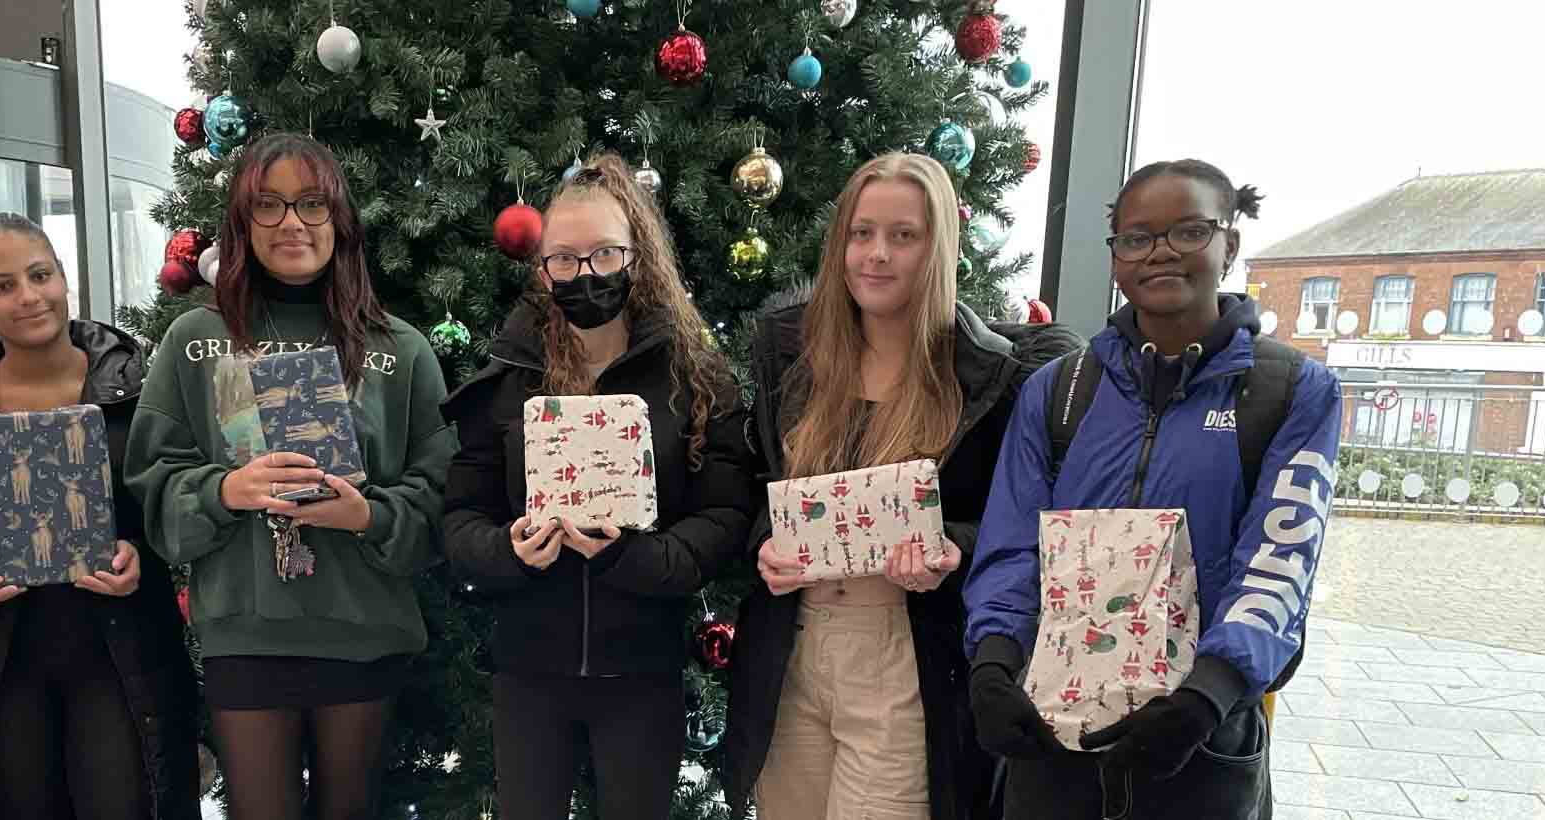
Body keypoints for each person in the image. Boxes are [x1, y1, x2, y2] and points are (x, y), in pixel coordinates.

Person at [964, 160, 1340, 818]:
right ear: (1116, 256)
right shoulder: (1057, 392)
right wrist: (993, 665)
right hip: (1053, 738)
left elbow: (1280, 562)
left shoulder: (1290, 392)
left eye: (1189, 231)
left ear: (1230, 245)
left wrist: (1205, 698)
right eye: (1137, 237)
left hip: (1201, 742)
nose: (1161, 251)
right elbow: (1011, 543)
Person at [723, 153, 1081, 820]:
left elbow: (1022, 523)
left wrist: (953, 551)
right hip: (792, 648)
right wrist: (763, 544)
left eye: (903, 236)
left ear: (937, 245)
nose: (876, 255)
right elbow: (757, 489)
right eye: (861, 234)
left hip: (902, 655)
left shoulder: (989, 376)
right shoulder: (791, 352)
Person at [126, 132, 458, 820]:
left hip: (363, 630)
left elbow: (440, 493)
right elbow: (152, 484)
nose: (292, 224)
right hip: (246, 633)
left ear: (338, 217)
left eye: (311, 204)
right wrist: (225, 491)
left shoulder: (400, 349)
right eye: (269, 206)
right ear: (242, 224)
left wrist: (368, 514)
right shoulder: (196, 339)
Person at [441, 154, 754, 819]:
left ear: (637, 255)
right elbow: (460, 515)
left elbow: (725, 514)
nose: (586, 275)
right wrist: (508, 551)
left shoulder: (694, 374)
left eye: (606, 254)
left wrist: (633, 557)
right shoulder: (508, 377)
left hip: (643, 671)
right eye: (565, 259)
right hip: (529, 672)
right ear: (541, 268)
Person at [0, 213, 198, 819]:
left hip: (119, 651)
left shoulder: (143, 387)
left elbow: (181, 502)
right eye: (1, 285)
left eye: (40, 275)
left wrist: (141, 557)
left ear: (63, 277)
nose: (28, 296)